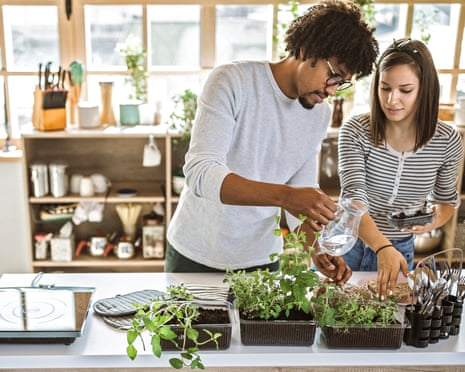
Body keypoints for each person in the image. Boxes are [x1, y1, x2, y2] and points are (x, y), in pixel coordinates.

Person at [166, 0, 379, 284]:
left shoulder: (319, 114)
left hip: (262, 262)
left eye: (342, 83)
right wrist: (287, 197)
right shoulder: (232, 81)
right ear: (307, 50)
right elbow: (201, 173)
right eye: (333, 75)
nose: (331, 91)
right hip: (195, 255)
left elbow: (300, 193)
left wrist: (316, 248)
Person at [338, 38, 464, 298]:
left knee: (388, 326)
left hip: (399, 250)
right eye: (384, 88)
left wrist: (428, 222)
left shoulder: (447, 141)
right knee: (341, 324)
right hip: (349, 245)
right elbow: (353, 198)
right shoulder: (355, 131)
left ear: (425, 89)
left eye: (405, 90)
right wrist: (382, 247)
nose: (391, 99)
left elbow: (446, 202)